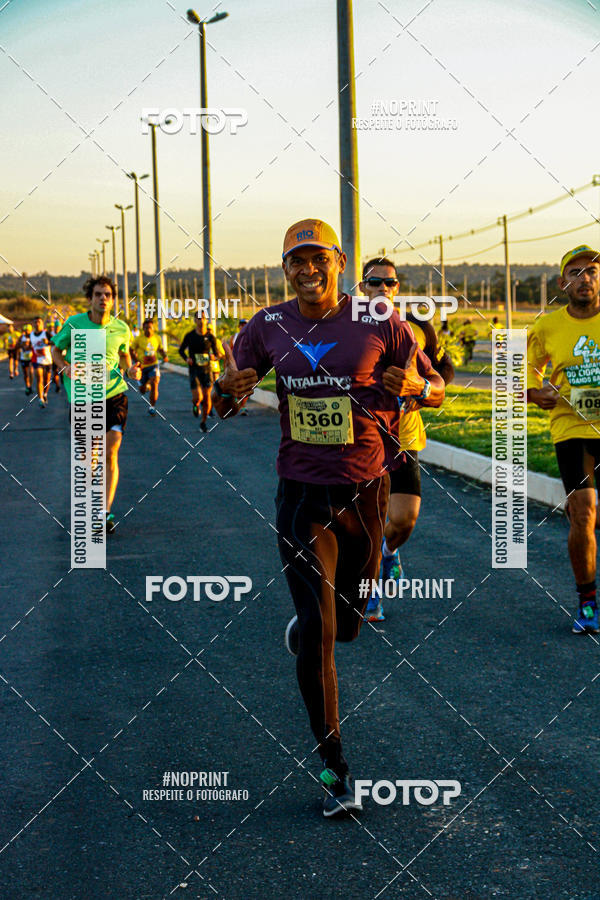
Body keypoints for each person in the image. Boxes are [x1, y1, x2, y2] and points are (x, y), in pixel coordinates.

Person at [212, 218, 444, 816]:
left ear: (340, 263)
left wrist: (416, 386)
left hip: (366, 493)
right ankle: (334, 766)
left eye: (320, 258)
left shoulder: (378, 319)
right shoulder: (267, 325)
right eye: (298, 260)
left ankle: (321, 622)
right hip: (301, 495)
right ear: (284, 268)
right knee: (319, 631)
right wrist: (226, 389)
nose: (309, 269)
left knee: (348, 624)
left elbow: (436, 386)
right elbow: (228, 398)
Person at [359, 258, 454, 620]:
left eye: (390, 282)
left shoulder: (415, 325)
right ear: (362, 287)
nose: (382, 288)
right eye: (374, 282)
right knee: (369, 519)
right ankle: (370, 593)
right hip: (363, 439)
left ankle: (389, 552)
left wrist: (423, 388)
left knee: (404, 520)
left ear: (397, 288)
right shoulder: (348, 327)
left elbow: (443, 369)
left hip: (405, 436)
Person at [528, 244, 600, 634]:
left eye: (592, 271)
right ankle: (587, 602)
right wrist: (532, 393)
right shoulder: (546, 327)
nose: (585, 278)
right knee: (584, 512)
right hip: (571, 427)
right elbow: (519, 370)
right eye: (576, 272)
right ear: (563, 283)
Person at [51, 275, 140, 534]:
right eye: (98, 294)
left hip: (114, 395)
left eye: (108, 295)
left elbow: (124, 355)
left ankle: (104, 511)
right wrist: (65, 367)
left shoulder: (121, 328)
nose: (103, 298)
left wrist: (130, 370)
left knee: (110, 452)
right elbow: (55, 350)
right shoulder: (74, 324)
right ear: (90, 299)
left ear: (112, 300)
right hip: (82, 398)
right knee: (88, 459)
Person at [178, 312, 219, 432]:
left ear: (207, 320)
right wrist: (187, 359)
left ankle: (203, 422)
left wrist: (214, 357)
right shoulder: (190, 336)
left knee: (207, 397)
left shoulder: (211, 337)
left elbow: (216, 354)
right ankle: (195, 405)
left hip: (206, 370)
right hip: (194, 370)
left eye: (203, 318)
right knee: (198, 398)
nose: (201, 320)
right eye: (199, 318)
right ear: (195, 320)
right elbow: (181, 350)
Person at [131, 319, 167, 416]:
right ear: (143, 329)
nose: (148, 330)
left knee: (155, 382)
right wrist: (137, 362)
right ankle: (146, 385)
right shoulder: (138, 339)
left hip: (153, 365)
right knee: (142, 390)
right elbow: (131, 350)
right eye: (146, 328)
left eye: (150, 328)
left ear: (153, 328)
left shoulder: (157, 338)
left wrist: (165, 356)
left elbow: (160, 349)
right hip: (142, 367)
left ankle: (152, 407)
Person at [30, 316, 53, 408]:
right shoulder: (31, 335)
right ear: (33, 324)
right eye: (35, 322)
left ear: (42, 324)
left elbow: (55, 342)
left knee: (47, 380)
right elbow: (27, 344)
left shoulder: (46, 333)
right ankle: (41, 399)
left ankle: (45, 394)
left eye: (39, 322)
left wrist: (48, 342)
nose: (37, 324)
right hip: (37, 360)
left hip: (47, 360)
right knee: (39, 379)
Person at [18, 324, 33, 395]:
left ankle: (30, 386)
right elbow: (17, 345)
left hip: (31, 357)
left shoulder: (32, 336)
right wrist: (22, 345)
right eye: (25, 330)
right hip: (23, 358)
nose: (27, 331)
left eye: (28, 330)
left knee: (31, 372)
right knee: (25, 373)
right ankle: (27, 386)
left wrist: (29, 346)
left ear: (30, 330)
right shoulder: (22, 337)